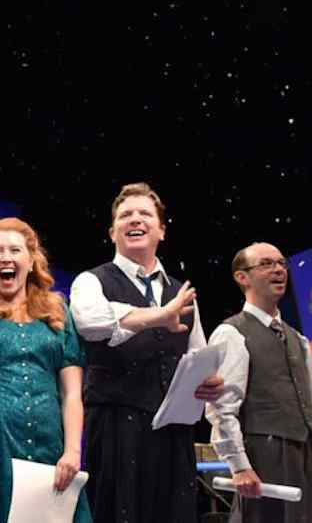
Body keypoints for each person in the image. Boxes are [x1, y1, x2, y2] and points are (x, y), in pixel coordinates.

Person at [69, 182, 224, 523]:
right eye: (125, 215)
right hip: (114, 430)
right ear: (112, 232)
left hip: (173, 434)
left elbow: (196, 355)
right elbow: (92, 323)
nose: (135, 219)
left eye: (145, 214)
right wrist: (160, 316)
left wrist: (208, 383)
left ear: (162, 230)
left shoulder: (182, 292)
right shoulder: (90, 281)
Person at [0, 217, 91, 523]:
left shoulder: (56, 310)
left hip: (49, 444)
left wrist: (72, 451)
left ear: (31, 260)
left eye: (15, 250)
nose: (6, 257)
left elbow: (72, 393)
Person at [205, 242, 312, 522]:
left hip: (303, 453)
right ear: (242, 277)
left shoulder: (298, 339)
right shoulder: (231, 332)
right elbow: (220, 408)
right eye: (266, 264)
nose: (278, 270)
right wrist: (239, 466)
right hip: (263, 454)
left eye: (281, 263)